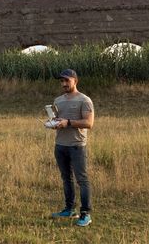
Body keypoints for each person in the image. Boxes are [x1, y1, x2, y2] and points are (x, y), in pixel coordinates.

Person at [50, 69, 94, 227]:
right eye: (61, 81)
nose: (63, 84)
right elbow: (58, 120)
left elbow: (88, 123)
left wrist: (68, 122)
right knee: (66, 179)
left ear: (75, 80)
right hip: (60, 145)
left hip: (77, 146)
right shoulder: (58, 100)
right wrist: (54, 124)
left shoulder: (85, 100)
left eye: (66, 80)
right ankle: (69, 209)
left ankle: (85, 214)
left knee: (82, 180)